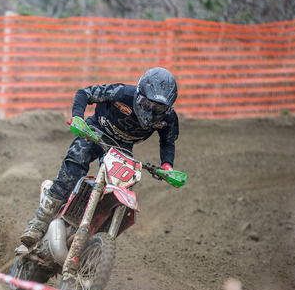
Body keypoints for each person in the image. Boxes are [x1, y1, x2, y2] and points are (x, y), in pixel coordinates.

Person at [20, 67, 180, 247]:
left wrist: (167, 165)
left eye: (158, 107)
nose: (151, 110)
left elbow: (168, 141)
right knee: (72, 173)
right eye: (147, 103)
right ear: (138, 94)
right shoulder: (121, 93)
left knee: (119, 189)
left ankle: (93, 235)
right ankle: (39, 223)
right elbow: (85, 93)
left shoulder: (169, 118)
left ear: (168, 107)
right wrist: (78, 117)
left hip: (122, 148)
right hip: (94, 132)